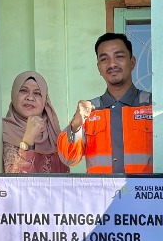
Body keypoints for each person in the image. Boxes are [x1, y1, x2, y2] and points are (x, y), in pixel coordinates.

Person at [58, 33, 154, 174]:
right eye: (104, 59)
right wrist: (75, 125)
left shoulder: (153, 106)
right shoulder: (88, 111)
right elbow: (69, 158)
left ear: (132, 62)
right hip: (100, 195)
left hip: (145, 194)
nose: (112, 64)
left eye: (119, 56)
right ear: (99, 68)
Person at [3, 71, 70, 174]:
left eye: (37, 93)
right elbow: (14, 183)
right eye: (23, 91)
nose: (30, 97)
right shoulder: (2, 131)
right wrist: (29, 138)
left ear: (44, 100)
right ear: (14, 94)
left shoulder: (54, 134)